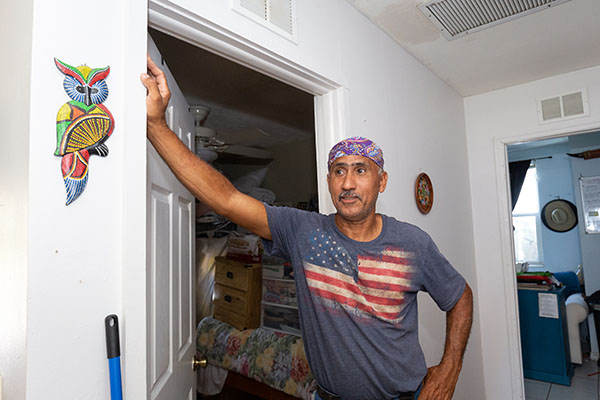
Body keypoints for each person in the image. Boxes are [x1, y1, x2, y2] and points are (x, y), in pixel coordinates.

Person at [141, 55, 473, 400]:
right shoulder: (302, 230)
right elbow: (226, 199)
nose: (348, 183)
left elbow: (459, 295)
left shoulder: (412, 243)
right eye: (339, 171)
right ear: (328, 180)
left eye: (361, 170)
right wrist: (157, 127)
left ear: (382, 181)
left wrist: (450, 368)